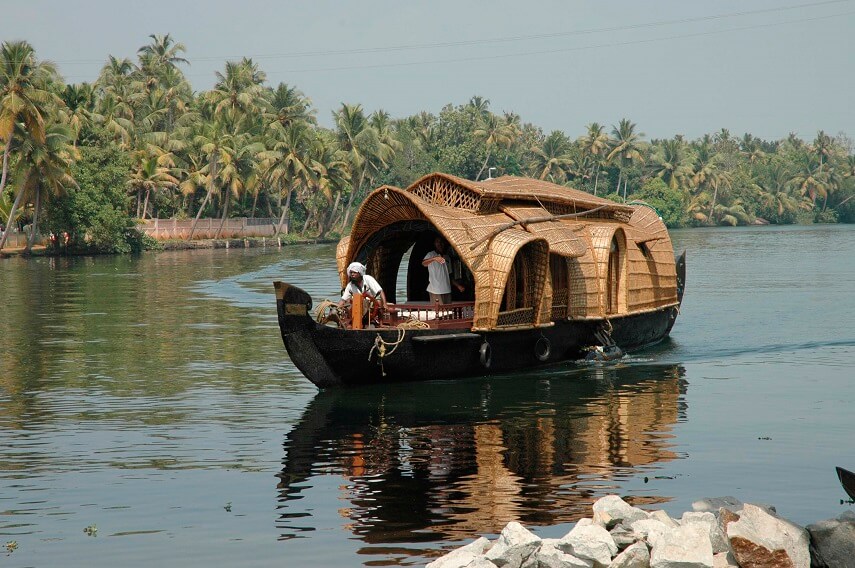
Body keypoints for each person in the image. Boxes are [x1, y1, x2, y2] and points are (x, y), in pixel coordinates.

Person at [422, 236, 464, 305]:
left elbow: (449, 275)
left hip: (447, 289)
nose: (440, 244)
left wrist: (458, 286)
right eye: (437, 242)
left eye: (441, 242)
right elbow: (424, 263)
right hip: (436, 290)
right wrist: (434, 259)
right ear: (434, 244)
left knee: (447, 313)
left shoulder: (447, 257)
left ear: (444, 244)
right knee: (439, 313)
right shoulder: (431, 254)